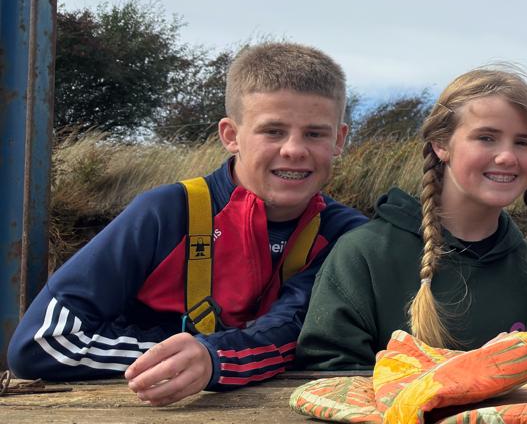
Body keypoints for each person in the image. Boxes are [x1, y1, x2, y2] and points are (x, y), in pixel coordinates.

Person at [7, 42, 365, 404]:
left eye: (315, 134)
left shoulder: (348, 236)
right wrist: (182, 360)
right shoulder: (164, 213)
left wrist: (214, 356)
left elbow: (297, 330)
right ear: (231, 135)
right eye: (272, 131)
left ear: (339, 140)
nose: (294, 149)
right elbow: (41, 343)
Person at [296, 66, 527, 369]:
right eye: (486, 138)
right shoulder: (364, 255)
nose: (507, 157)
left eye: (523, 142)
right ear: (441, 144)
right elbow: (327, 377)